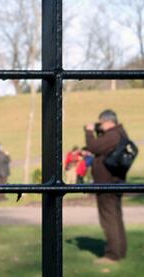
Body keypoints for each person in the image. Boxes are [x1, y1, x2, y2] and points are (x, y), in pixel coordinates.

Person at [85, 109, 128, 264]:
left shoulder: (113, 135)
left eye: (101, 122)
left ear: (108, 121)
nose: (100, 125)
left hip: (107, 183)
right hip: (114, 182)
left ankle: (112, 255)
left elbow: (93, 147)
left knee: (108, 219)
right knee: (115, 218)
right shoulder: (119, 134)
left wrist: (89, 132)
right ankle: (120, 251)